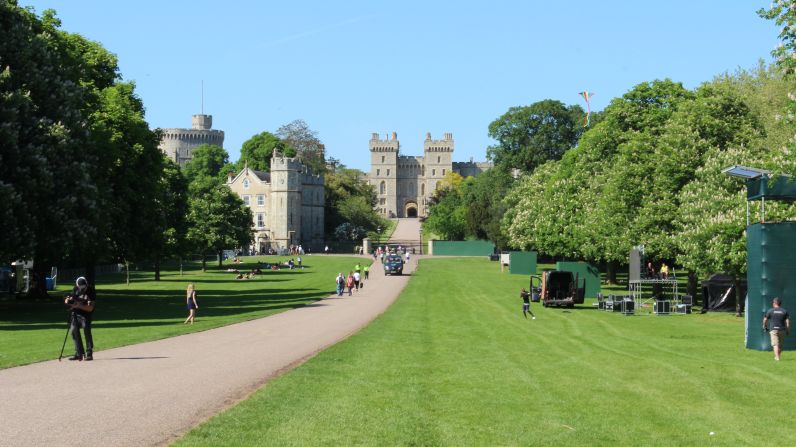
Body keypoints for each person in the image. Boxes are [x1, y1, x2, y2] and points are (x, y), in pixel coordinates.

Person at [64, 277, 96, 361]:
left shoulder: (91, 291)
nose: (82, 289)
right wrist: (68, 300)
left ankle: (89, 354)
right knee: (74, 331)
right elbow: (69, 298)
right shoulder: (75, 289)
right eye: (80, 287)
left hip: (86, 315)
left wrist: (79, 305)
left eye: (83, 287)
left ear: (86, 284)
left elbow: (90, 308)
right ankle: (79, 353)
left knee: (86, 331)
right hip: (76, 314)